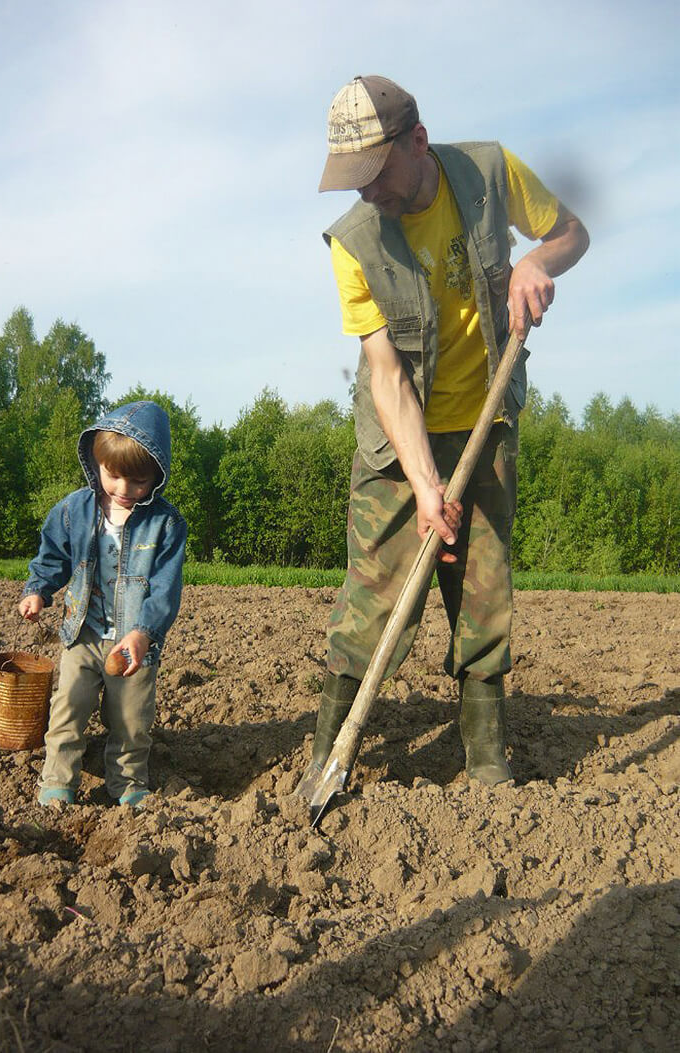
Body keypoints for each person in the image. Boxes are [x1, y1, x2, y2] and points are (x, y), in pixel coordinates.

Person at [310, 75, 589, 784]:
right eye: (353, 180)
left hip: (484, 423)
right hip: (395, 438)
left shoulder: (492, 175)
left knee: (485, 587)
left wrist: (535, 260)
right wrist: (425, 483)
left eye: (375, 173)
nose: (366, 192)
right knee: (373, 599)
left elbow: (571, 233)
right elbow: (386, 375)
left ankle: (487, 759)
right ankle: (326, 757)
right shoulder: (353, 245)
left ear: (419, 142)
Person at [19, 401, 187, 807]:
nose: (124, 490)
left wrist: (144, 634)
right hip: (83, 632)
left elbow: (165, 589)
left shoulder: (166, 524)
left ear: (157, 477)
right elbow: (53, 555)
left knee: (132, 721)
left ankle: (127, 786)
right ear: (96, 464)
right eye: (114, 476)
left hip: (132, 645)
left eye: (138, 482)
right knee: (68, 708)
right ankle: (58, 782)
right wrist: (38, 590)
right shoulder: (74, 511)